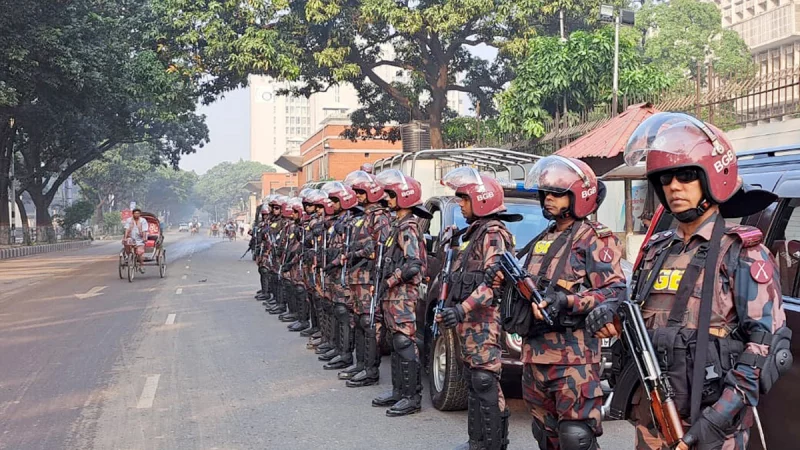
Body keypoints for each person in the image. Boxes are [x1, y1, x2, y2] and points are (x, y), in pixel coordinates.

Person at [610, 112, 789, 450]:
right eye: (665, 179)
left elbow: (765, 351)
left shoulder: (742, 253)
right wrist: (610, 314)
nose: (674, 186)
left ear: (712, 177)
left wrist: (714, 422)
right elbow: (636, 319)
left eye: (686, 175)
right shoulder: (657, 250)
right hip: (653, 421)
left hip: (710, 432)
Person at [516, 155, 626, 450]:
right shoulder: (543, 238)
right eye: (545, 193)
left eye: (557, 193)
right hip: (535, 356)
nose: (548, 199)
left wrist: (567, 301)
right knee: (545, 435)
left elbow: (614, 292)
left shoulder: (593, 238)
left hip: (572, 360)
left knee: (576, 437)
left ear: (579, 196)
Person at [435, 168, 516, 450]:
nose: (460, 205)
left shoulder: (493, 234)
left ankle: (494, 445)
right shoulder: (473, 234)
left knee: (485, 382)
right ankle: (476, 443)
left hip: (483, 322)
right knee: (472, 380)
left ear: (481, 200)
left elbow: (494, 283)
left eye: (464, 200)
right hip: (468, 323)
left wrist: (461, 310)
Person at [371, 169, 430, 417]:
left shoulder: (408, 227)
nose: (387, 198)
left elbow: (413, 264)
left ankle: (411, 397)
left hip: (402, 295)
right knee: (396, 342)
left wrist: (391, 280)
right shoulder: (398, 225)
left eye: (392, 194)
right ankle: (399, 391)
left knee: (405, 343)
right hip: (392, 296)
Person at [341, 170, 392, 387]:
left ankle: (371, 370)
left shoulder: (380, 217)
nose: (358, 196)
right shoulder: (365, 217)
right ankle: (361, 364)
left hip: (368, 278)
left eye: (361, 192)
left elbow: (378, 248)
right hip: (356, 277)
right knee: (359, 321)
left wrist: (356, 252)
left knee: (370, 323)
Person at [319, 181, 361, 371]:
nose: (332, 205)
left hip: (349, 274)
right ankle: (337, 347)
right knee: (336, 309)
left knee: (346, 314)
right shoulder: (339, 220)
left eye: (335, 201)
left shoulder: (353, 219)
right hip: (337, 273)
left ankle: (346, 354)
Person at [123, 208, 149, 273]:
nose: (136, 215)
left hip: (140, 238)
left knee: (140, 253)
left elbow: (144, 230)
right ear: (133, 214)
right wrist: (125, 237)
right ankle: (129, 256)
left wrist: (144, 238)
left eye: (138, 213)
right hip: (131, 237)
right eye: (135, 213)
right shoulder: (129, 220)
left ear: (140, 214)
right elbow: (126, 229)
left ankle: (141, 265)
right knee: (126, 244)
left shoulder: (143, 221)